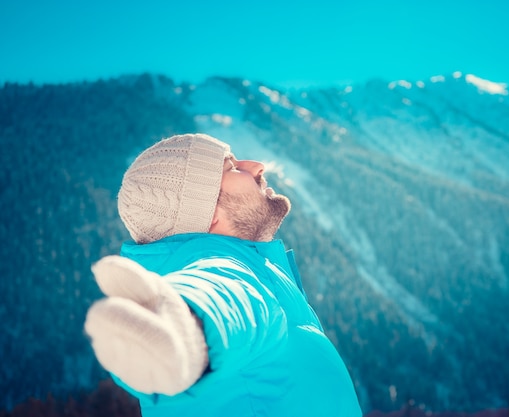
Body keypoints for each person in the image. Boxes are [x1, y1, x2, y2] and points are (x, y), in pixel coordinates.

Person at [84, 133, 363, 417]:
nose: (256, 166)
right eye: (230, 168)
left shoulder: (252, 265)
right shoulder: (229, 271)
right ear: (208, 214)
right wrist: (187, 326)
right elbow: (223, 294)